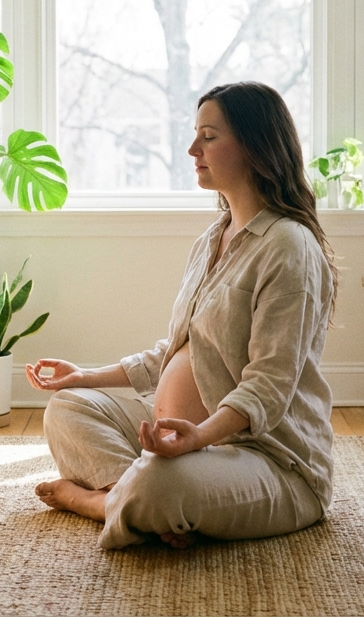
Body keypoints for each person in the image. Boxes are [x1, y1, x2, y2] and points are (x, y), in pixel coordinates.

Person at [26, 81, 338, 550]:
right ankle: (137, 501)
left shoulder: (288, 246)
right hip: (184, 442)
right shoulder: (212, 239)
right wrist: (85, 377)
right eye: (195, 135)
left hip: (269, 460)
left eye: (209, 137)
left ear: (256, 146)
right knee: (68, 407)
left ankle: (101, 502)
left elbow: (268, 387)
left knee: (160, 481)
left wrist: (198, 439)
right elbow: (174, 351)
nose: (193, 149)